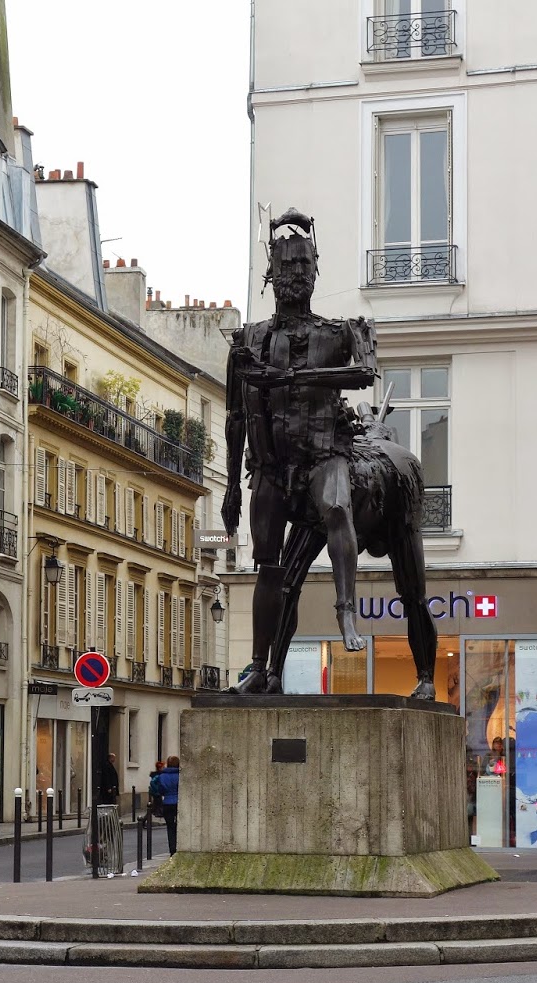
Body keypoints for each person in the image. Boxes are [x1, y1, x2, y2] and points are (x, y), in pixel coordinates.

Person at [222, 209, 381, 693]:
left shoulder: (340, 332)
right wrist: (230, 487)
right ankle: (258, 668)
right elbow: (233, 419)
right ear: (271, 274)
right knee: (266, 566)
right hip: (270, 467)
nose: (294, 277)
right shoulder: (248, 340)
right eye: (285, 269)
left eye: (302, 267)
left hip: (322, 456)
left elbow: (365, 374)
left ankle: (346, 614)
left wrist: (292, 377)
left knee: (335, 507)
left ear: (316, 271)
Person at [155, 755, 180, 855]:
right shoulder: (181, 775)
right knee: (180, 827)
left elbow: (160, 790)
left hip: (167, 803)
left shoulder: (162, 776)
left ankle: (172, 850)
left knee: (170, 827)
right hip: (179, 803)